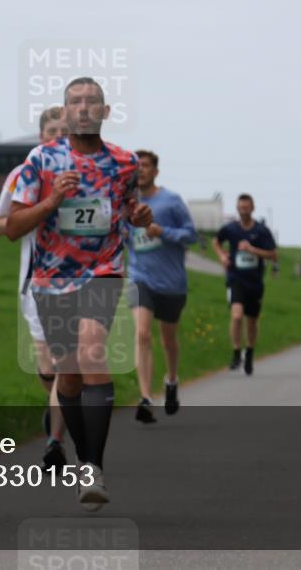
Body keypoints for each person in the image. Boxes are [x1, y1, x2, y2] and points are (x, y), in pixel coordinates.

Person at [7, 77, 152, 511]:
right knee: (67, 376)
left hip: (104, 270)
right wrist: (52, 201)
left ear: (106, 112)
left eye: (93, 102)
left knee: (92, 352)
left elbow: (129, 208)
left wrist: (138, 214)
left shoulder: (125, 163)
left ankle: (92, 466)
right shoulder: (41, 160)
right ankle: (83, 457)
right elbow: (14, 226)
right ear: (65, 112)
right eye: (76, 102)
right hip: (51, 279)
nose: (84, 108)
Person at [0, 106, 70, 468]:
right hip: (35, 281)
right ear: (41, 137)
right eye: (52, 131)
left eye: (64, 132)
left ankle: (55, 442)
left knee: (66, 363)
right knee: (49, 369)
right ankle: (54, 402)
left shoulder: (87, 174)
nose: (57, 137)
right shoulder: (22, 174)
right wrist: (32, 217)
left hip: (76, 281)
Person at [127, 149, 197, 423]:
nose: (140, 170)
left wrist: (162, 232)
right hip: (139, 277)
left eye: (145, 166)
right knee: (142, 334)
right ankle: (145, 397)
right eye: (136, 166)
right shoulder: (126, 202)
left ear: (155, 171)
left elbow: (191, 235)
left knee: (168, 338)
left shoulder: (171, 201)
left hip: (171, 282)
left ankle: (171, 380)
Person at [212, 194, 278, 374]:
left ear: (253, 208)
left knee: (251, 321)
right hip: (236, 279)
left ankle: (249, 352)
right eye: (241, 208)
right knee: (236, 315)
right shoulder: (231, 229)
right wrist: (222, 256)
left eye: (247, 208)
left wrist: (252, 249)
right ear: (237, 208)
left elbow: (273, 255)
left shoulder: (262, 231)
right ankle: (236, 352)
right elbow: (216, 241)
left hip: (255, 282)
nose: (244, 211)